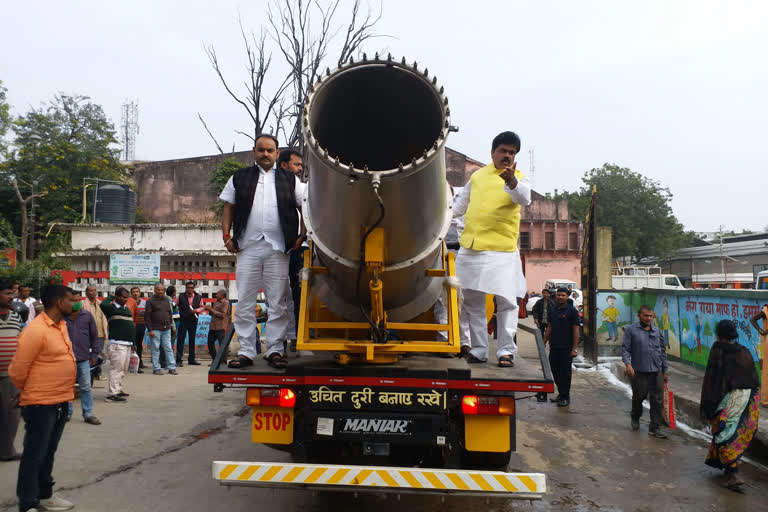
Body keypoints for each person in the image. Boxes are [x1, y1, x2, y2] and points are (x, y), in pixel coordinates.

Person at [220, 133, 306, 370]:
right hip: (247, 247)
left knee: (277, 301)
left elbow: (305, 206)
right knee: (245, 300)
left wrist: (302, 235)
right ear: (254, 152)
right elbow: (229, 207)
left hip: (278, 249)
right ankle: (247, 351)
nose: (265, 154)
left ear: (277, 154)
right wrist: (226, 236)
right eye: (261, 150)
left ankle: (276, 349)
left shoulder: (290, 180)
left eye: (270, 150)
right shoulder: (239, 177)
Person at [452, 131, 531, 367]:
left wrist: (511, 181)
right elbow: (458, 206)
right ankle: (478, 350)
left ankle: (506, 351)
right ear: (493, 152)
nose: (507, 156)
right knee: (472, 301)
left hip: (502, 250)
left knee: (506, 301)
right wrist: (437, 218)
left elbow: (524, 198)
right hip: (472, 248)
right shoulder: (477, 177)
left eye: (512, 152)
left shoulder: (519, 178)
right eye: (503, 151)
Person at [9, 284, 77, 512]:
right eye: (70, 300)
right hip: (40, 402)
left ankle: (45, 494)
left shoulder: (61, 326)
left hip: (61, 399)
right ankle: (28, 502)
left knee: (48, 451)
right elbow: (18, 369)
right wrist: (26, 391)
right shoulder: (36, 330)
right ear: (59, 302)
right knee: (34, 453)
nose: (73, 303)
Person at [700, 320, 760, 491]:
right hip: (747, 398)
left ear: (718, 334)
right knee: (733, 433)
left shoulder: (718, 350)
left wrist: (709, 403)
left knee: (724, 435)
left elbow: (713, 378)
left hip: (728, 399)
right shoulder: (745, 351)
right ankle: (727, 470)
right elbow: (754, 379)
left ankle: (733, 474)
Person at [622, 305, 669, 438]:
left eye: (650, 316)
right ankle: (635, 416)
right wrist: (628, 365)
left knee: (657, 400)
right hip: (639, 371)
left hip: (656, 371)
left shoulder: (657, 331)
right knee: (639, 396)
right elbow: (625, 349)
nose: (648, 318)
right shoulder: (631, 330)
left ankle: (655, 428)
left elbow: (663, 352)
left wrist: (665, 370)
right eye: (645, 316)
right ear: (639, 316)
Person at [278, 148, 305, 349]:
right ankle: (278, 341)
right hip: (276, 248)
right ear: (284, 165)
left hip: (297, 248)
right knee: (277, 295)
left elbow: (305, 209)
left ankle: (298, 336)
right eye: (296, 164)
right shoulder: (271, 186)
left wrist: (301, 236)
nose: (300, 168)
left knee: (299, 294)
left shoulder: (300, 187)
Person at [64, 298, 102, 425]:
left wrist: (95, 354)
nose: (75, 303)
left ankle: (88, 413)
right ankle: (67, 413)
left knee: (86, 387)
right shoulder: (62, 317)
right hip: (66, 358)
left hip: (83, 358)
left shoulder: (87, 316)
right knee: (67, 387)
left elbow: (94, 336)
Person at [543, 288, 580, 407]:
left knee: (565, 373)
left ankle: (565, 396)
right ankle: (561, 393)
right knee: (555, 370)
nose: (560, 297)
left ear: (567, 297)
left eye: (563, 295)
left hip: (567, 348)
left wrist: (574, 348)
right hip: (554, 347)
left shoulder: (572, 311)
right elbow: (549, 327)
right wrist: (543, 341)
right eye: (558, 295)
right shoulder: (553, 310)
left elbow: (576, 330)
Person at [0, 279, 23, 461]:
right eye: (7, 294)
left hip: (10, 377)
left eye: (11, 293)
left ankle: (6, 451)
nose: (12, 297)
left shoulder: (16, 316)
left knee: (11, 416)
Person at [100, 287, 135, 403]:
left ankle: (118, 390)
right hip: (117, 344)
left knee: (123, 369)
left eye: (127, 297)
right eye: (124, 297)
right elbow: (103, 305)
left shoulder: (126, 309)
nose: (126, 299)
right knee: (116, 368)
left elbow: (130, 326)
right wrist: (111, 297)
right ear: (117, 296)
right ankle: (112, 394)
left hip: (127, 344)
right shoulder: (110, 308)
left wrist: (133, 342)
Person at [144, 283, 177, 376]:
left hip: (166, 329)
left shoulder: (167, 300)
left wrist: (171, 325)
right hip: (155, 329)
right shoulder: (150, 301)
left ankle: (171, 367)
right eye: (158, 290)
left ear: (164, 291)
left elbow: (170, 313)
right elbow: (147, 317)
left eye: (162, 290)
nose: (160, 291)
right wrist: (150, 330)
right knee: (155, 349)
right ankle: (156, 368)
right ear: (154, 290)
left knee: (169, 348)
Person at [81, 285, 108, 381]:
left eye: (95, 290)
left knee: (99, 354)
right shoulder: (82, 304)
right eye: (91, 291)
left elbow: (104, 318)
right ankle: (90, 373)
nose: (94, 292)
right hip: (88, 333)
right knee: (89, 354)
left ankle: (98, 373)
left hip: (100, 333)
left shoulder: (100, 304)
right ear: (86, 293)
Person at [176, 281, 204, 366]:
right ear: (186, 288)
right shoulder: (180, 296)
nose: (190, 289)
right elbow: (175, 305)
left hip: (193, 321)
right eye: (188, 287)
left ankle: (191, 359)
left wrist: (197, 310)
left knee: (192, 340)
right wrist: (178, 313)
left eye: (192, 288)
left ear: (194, 288)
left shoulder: (199, 297)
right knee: (180, 340)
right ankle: (178, 360)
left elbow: (202, 307)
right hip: (183, 320)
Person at [749, 304, 768, 408]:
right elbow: (752, 319)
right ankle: (765, 400)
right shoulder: (766, 310)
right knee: (766, 372)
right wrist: (761, 331)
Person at [205, 289, 230, 362]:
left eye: (217, 294)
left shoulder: (225, 303)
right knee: (210, 344)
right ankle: (215, 360)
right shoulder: (215, 302)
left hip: (220, 327)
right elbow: (212, 313)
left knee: (222, 345)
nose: (216, 295)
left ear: (222, 295)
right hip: (213, 327)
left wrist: (211, 310)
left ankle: (223, 362)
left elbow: (223, 315)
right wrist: (209, 310)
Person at [129, 287, 146, 372]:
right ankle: (133, 365)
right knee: (133, 345)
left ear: (139, 293)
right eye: (133, 292)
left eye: (137, 292)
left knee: (139, 345)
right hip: (132, 326)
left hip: (141, 325)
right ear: (131, 293)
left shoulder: (144, 302)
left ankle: (140, 362)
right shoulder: (129, 302)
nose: (135, 293)